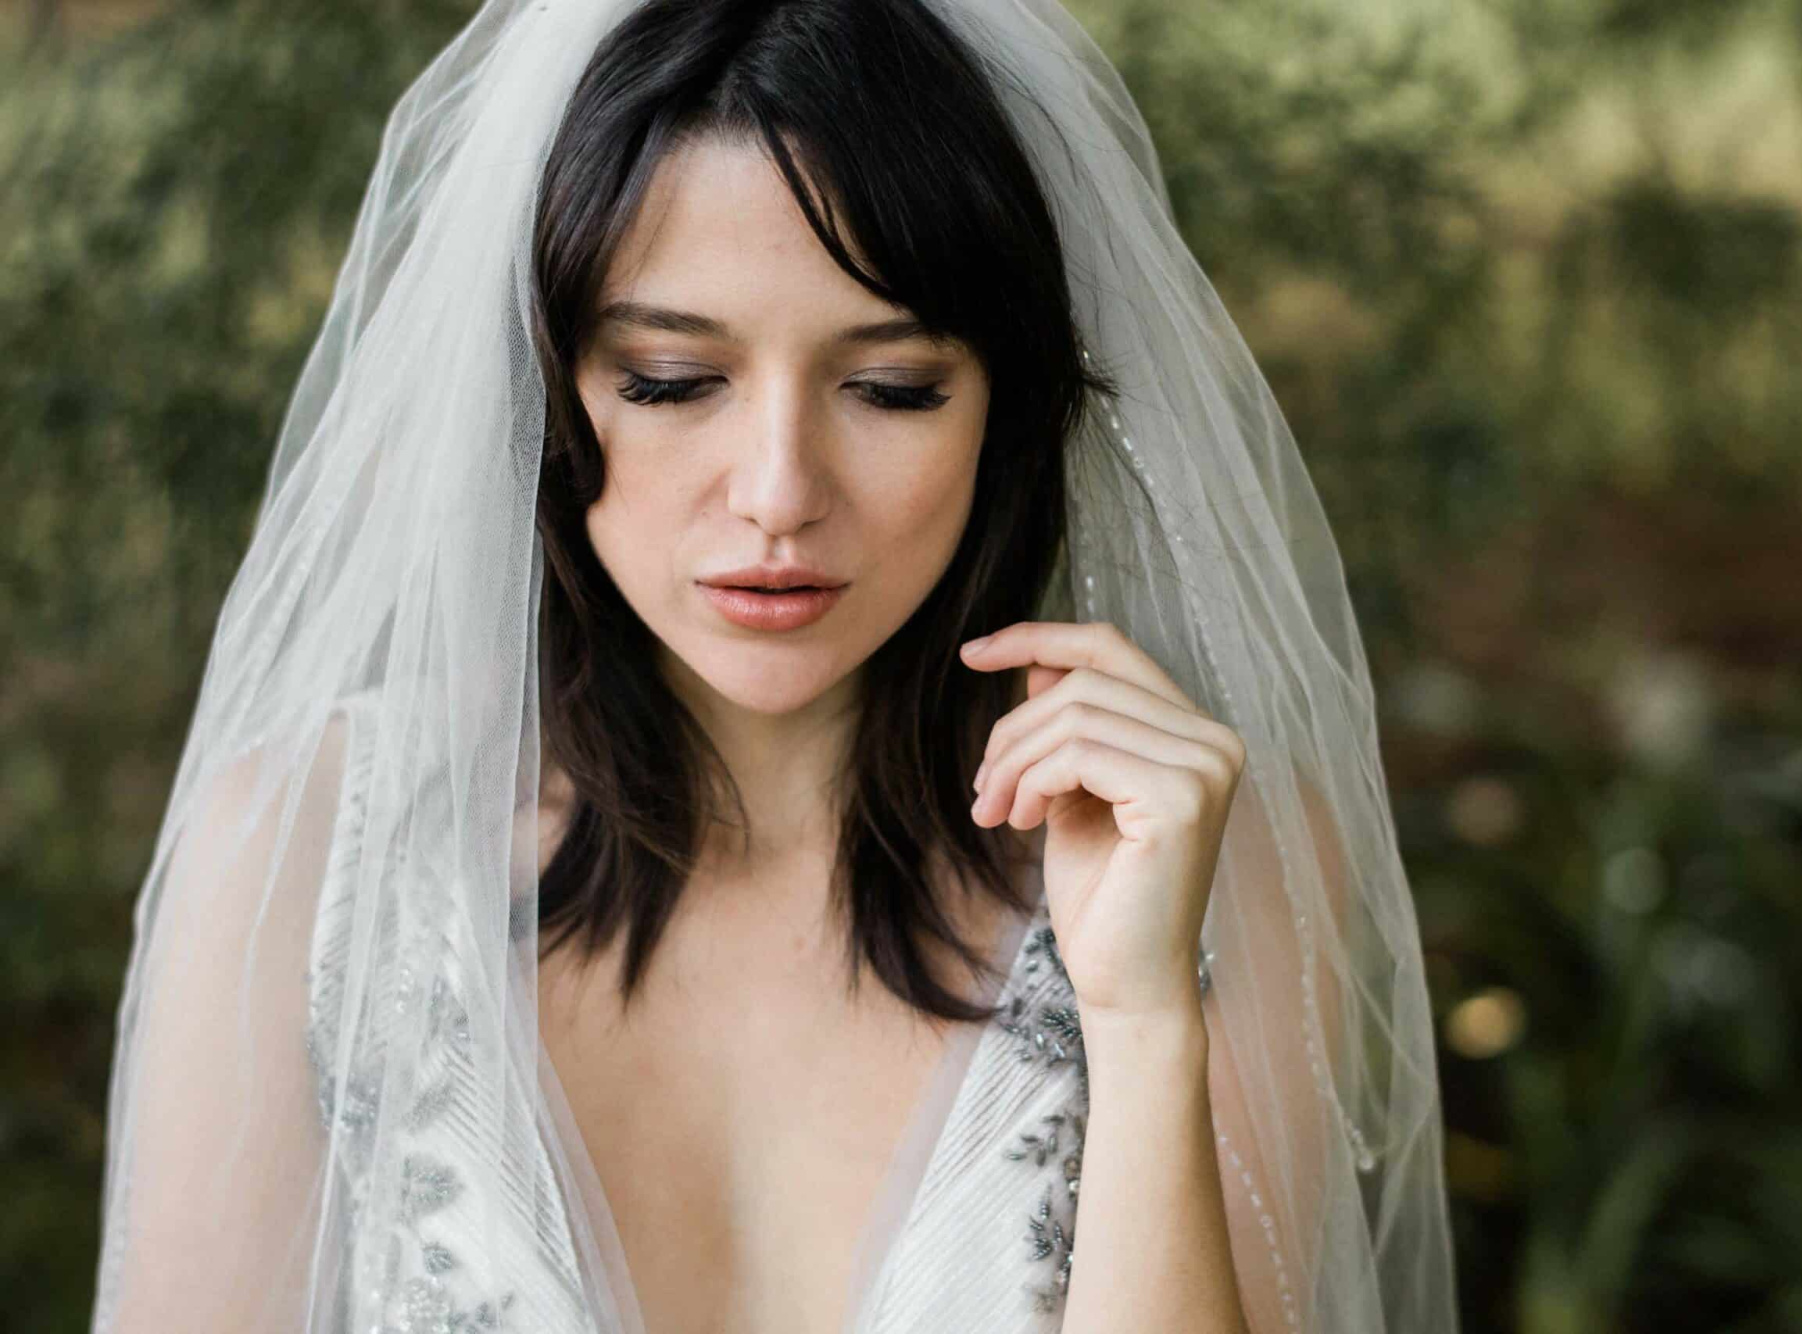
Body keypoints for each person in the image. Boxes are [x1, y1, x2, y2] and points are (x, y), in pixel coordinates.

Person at [87, 2, 1459, 1332]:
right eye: (675, 380)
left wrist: (1146, 1018)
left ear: (1010, 408)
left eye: (893, 387)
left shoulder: (1218, 867)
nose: (779, 492)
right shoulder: (318, 854)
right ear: (544, 394)